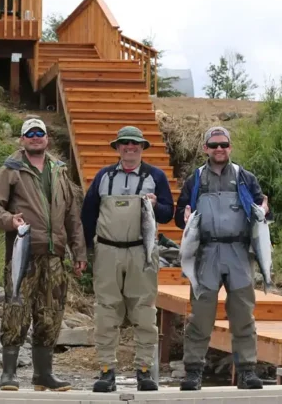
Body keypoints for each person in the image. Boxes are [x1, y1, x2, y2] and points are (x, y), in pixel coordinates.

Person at [0, 117, 87, 392]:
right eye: (29, 133)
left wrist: (79, 252)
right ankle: (8, 373)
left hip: (55, 256)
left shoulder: (59, 170)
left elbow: (72, 216)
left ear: (46, 138)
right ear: (22, 139)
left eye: (39, 133)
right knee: (16, 311)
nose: (35, 137)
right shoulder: (11, 168)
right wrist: (9, 221)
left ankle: (43, 374)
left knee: (51, 315)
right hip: (24, 253)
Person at [80, 125, 174, 392]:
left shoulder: (155, 176)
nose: (130, 148)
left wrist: (157, 205)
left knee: (144, 313)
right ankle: (107, 370)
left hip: (142, 251)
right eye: (125, 144)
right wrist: (83, 251)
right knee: (106, 312)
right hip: (107, 252)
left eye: (135, 144)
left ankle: (144, 371)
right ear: (118, 148)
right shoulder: (103, 176)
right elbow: (88, 215)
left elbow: (168, 214)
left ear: (143, 147)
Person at [175, 126, 269, 391]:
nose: (219, 149)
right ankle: (193, 371)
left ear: (230, 147)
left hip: (239, 254)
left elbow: (263, 212)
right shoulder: (195, 180)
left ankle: (247, 371)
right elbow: (178, 213)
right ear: (205, 148)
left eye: (224, 144)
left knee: (243, 315)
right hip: (205, 254)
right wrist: (183, 214)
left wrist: (265, 210)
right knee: (200, 316)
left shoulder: (245, 177)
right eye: (214, 145)